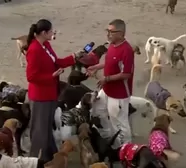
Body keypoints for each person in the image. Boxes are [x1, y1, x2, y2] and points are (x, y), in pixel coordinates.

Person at [25, 19, 85, 163]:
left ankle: (49, 156)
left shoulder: (45, 45)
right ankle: (36, 160)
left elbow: (56, 62)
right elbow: (31, 76)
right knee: (40, 130)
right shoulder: (34, 49)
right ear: (44, 33)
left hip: (49, 93)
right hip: (40, 96)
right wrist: (51, 76)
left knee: (46, 128)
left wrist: (74, 57)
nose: (53, 33)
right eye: (51, 31)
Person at [87, 19, 134, 147]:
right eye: (107, 31)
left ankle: (125, 149)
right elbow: (111, 62)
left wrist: (106, 79)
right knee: (98, 110)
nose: (108, 34)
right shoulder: (112, 45)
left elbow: (126, 73)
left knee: (119, 122)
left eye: (111, 32)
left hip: (119, 94)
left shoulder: (127, 50)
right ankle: (110, 138)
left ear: (121, 33)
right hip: (107, 89)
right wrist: (97, 67)